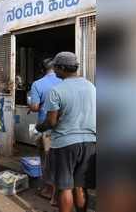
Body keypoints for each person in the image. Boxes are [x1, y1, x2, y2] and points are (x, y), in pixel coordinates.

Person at [36, 52, 96, 212]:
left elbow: (51, 122)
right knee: (80, 185)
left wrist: (39, 127)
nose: (54, 70)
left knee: (64, 187)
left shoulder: (56, 90)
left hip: (65, 144)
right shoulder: (91, 86)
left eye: (56, 67)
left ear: (62, 67)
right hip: (90, 142)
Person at [29, 58, 62, 205]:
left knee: (47, 161)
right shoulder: (64, 81)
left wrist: (33, 105)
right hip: (64, 127)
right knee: (60, 162)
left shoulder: (38, 84)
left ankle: (51, 193)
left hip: (46, 126)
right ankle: (55, 192)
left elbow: (35, 106)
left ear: (42, 69)